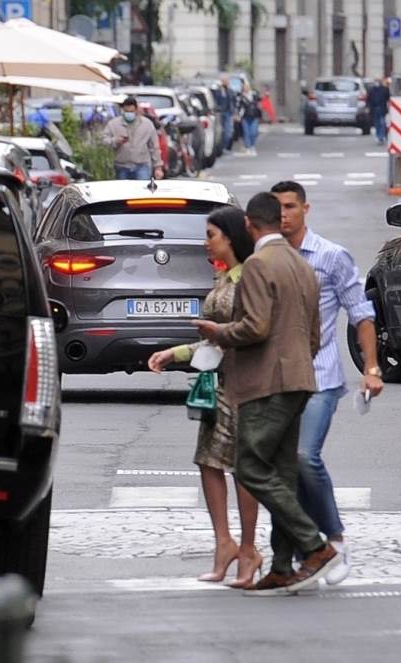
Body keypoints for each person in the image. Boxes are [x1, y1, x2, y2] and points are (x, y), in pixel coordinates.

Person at [193, 193, 339, 596]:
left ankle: (315, 545)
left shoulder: (259, 264)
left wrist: (217, 332)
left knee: (251, 466)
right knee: (282, 474)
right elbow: (314, 333)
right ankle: (280, 565)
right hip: (301, 378)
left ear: (249, 226)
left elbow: (254, 327)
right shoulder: (300, 262)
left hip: (265, 382)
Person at [271, 181, 384, 586]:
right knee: (282, 470)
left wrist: (372, 369)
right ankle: (306, 550)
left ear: (305, 208)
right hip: (277, 379)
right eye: (277, 208)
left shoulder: (331, 256)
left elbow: (361, 314)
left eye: (290, 207)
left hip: (321, 375)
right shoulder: (265, 257)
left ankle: (335, 541)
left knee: (304, 456)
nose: (283, 214)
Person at [147, 207, 262, 587]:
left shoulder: (250, 277)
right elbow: (211, 337)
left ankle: (248, 549)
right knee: (209, 461)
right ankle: (224, 543)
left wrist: (216, 333)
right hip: (218, 380)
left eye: (211, 234)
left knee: (242, 467)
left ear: (229, 237)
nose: (205, 241)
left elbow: (252, 330)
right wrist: (176, 353)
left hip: (245, 381)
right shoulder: (224, 276)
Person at [101, 97, 164, 180]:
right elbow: (103, 140)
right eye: (126, 112)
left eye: (131, 112)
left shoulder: (147, 124)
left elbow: (154, 146)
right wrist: (115, 140)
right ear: (123, 110)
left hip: (142, 165)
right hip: (121, 166)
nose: (129, 114)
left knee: (142, 191)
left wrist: (158, 167)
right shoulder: (113, 124)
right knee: (123, 191)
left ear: (136, 110)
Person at [237, 83, 262, 156]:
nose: (246, 88)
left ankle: (252, 146)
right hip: (245, 117)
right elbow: (239, 107)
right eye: (244, 87)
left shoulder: (254, 95)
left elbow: (260, 100)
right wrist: (238, 115)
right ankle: (248, 147)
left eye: (247, 87)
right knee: (246, 133)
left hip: (254, 116)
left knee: (254, 132)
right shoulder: (241, 97)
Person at [214, 76, 236, 153]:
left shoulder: (230, 91)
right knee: (221, 131)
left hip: (229, 113)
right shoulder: (218, 91)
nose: (225, 82)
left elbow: (234, 101)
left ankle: (225, 146)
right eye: (224, 81)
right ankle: (222, 147)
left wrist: (234, 112)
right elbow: (215, 101)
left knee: (228, 132)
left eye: (226, 81)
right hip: (220, 113)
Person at [367, 79, 390, 145]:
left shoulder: (384, 89)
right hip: (375, 108)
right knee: (378, 123)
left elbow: (387, 97)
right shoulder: (372, 90)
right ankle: (379, 136)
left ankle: (381, 136)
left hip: (381, 108)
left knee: (381, 122)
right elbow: (369, 99)